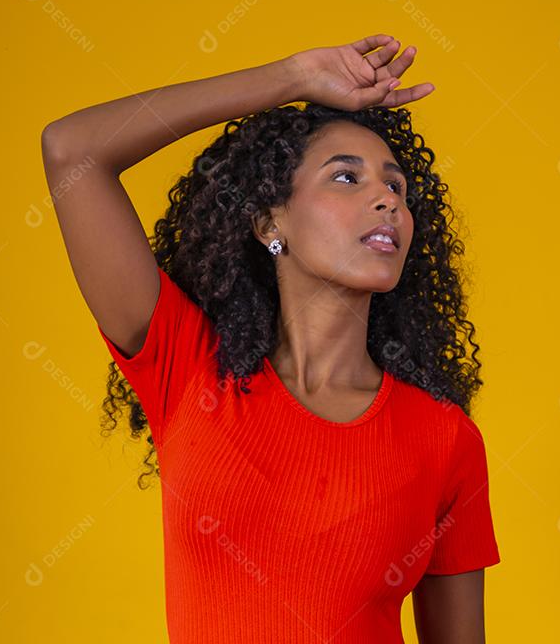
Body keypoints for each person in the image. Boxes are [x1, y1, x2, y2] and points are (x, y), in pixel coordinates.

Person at [41, 34, 500, 643]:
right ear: (268, 221)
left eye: (398, 188)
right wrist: (292, 77)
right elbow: (72, 150)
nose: (387, 199)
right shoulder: (188, 368)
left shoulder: (445, 439)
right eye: (346, 178)